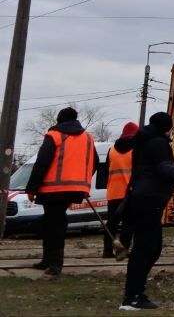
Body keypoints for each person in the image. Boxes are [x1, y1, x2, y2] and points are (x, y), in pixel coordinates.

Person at [120, 111, 174, 311]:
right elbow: (164, 169)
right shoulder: (158, 144)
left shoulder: (142, 143)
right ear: (166, 128)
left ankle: (135, 291)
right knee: (145, 249)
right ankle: (132, 296)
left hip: (141, 198)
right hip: (149, 200)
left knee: (151, 248)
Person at [26, 106, 98, 276]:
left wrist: (32, 187)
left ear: (59, 120)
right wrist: (82, 180)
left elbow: (42, 162)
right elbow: (94, 162)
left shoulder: (54, 135)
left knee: (54, 223)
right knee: (53, 221)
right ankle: (48, 260)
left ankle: (55, 263)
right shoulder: (87, 138)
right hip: (76, 188)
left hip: (53, 189)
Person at [103, 121, 138, 259]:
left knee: (111, 223)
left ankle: (107, 251)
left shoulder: (111, 150)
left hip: (113, 193)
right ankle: (122, 250)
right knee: (128, 224)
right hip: (129, 193)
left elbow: (105, 171)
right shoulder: (136, 150)